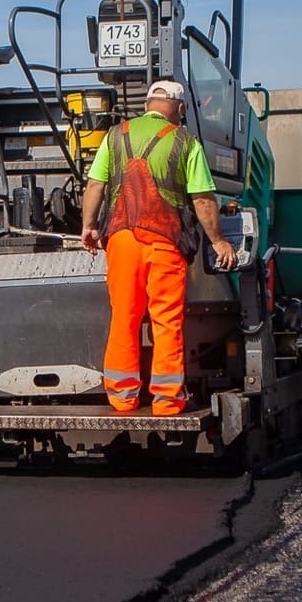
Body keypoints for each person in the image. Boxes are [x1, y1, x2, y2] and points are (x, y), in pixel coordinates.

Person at [79, 80, 236, 416]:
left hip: (121, 240)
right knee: (166, 320)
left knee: (124, 317)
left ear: (148, 103)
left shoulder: (115, 134)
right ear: (179, 109)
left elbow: (95, 184)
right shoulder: (186, 142)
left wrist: (89, 227)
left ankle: (122, 397)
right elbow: (203, 199)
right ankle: (166, 400)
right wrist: (219, 241)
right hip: (164, 242)